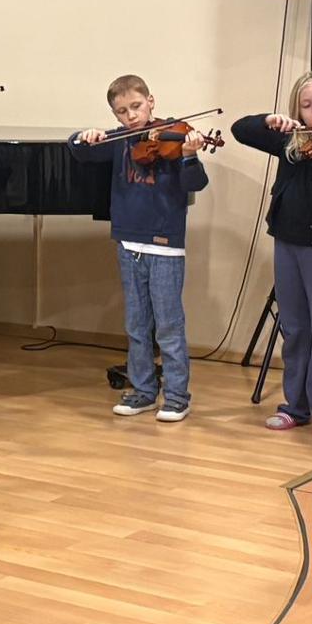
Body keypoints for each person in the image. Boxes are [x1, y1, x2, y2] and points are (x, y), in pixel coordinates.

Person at [70, 75, 208, 423]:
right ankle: (143, 391)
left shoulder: (173, 139)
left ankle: (177, 396)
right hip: (128, 243)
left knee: (168, 327)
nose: (130, 116)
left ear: (151, 101)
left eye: (136, 106)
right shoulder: (120, 141)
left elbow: (196, 184)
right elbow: (77, 151)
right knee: (136, 324)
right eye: (122, 112)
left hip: (164, 246)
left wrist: (189, 155)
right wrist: (83, 136)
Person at [231, 71, 312, 442]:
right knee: (294, 326)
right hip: (286, 240)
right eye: (307, 105)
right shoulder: (291, 142)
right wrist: (268, 121)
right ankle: (295, 407)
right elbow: (240, 130)